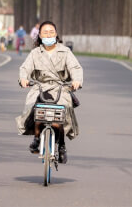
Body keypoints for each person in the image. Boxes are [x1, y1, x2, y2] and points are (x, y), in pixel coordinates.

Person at [17, 21, 83, 164]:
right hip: (39, 87)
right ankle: (36, 137)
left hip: (60, 88)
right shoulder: (35, 53)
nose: (49, 35)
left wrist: (76, 81)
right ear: (40, 35)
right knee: (33, 107)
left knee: (61, 114)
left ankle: (62, 146)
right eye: (45, 32)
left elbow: (75, 68)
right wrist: (23, 79)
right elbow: (25, 68)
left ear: (56, 34)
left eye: (51, 32)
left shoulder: (65, 51)